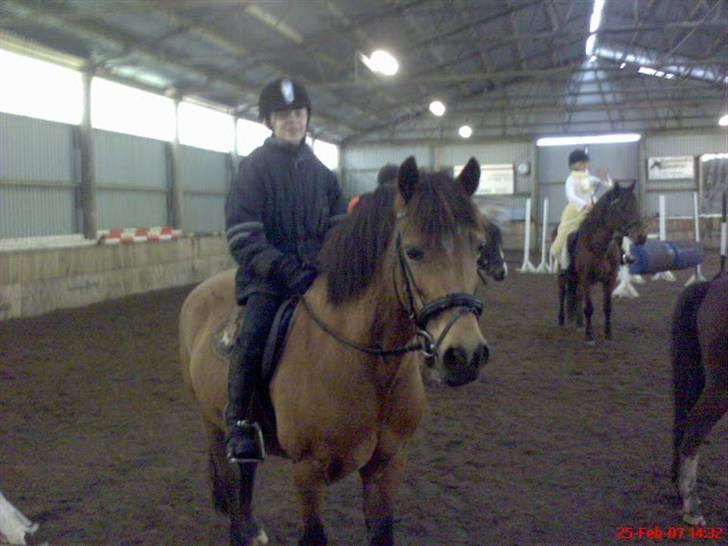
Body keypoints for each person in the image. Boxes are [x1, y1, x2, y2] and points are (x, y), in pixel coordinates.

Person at [224, 78, 346, 463]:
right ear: (269, 121)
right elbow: (243, 234)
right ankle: (239, 424)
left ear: (307, 117)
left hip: (315, 276)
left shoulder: (324, 175)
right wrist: (284, 269)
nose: (292, 121)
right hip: (268, 279)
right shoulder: (254, 169)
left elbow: (339, 230)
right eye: (283, 115)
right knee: (254, 337)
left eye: (298, 113)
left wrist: (327, 265)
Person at [549, 149, 613, 270]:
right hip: (575, 211)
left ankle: (622, 254)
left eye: (586, 162)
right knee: (566, 233)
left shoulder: (589, 178)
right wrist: (584, 205)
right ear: (575, 164)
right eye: (583, 162)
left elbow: (608, 185)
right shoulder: (571, 179)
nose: (585, 165)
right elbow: (570, 195)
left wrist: (605, 177)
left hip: (592, 209)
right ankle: (563, 260)